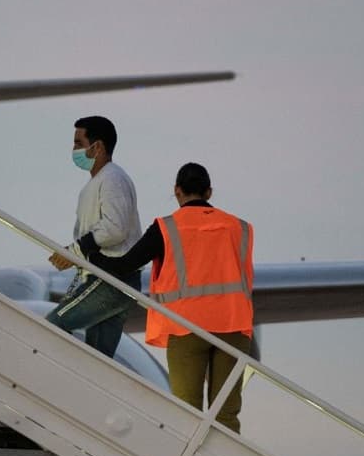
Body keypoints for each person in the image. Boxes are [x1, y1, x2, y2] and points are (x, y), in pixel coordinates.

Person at [88, 163, 253, 433]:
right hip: (234, 326)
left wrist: (89, 256)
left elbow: (127, 263)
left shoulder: (167, 227)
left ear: (177, 191)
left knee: (186, 409)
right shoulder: (240, 227)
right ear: (209, 192)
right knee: (226, 413)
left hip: (186, 326)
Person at [45, 116, 143, 358]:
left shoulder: (112, 179)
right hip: (114, 280)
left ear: (97, 147)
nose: (74, 150)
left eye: (79, 143)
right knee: (98, 359)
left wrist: (75, 251)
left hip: (111, 280)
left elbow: (115, 228)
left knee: (51, 325)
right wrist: (73, 252)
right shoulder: (99, 182)